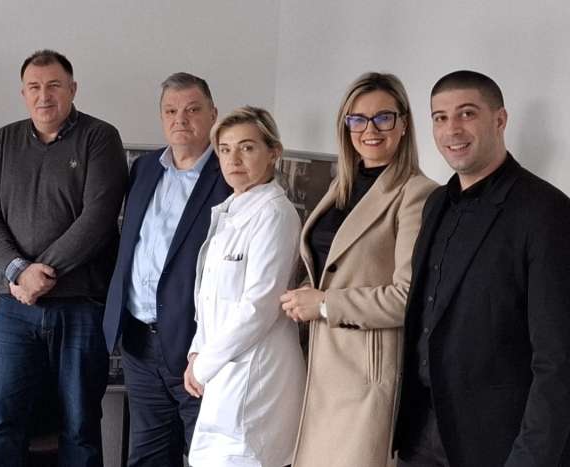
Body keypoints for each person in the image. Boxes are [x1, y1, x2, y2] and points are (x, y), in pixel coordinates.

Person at [394, 70, 570, 466]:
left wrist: (530, 458)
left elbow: (558, 359)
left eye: (467, 113)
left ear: (500, 120)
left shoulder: (546, 212)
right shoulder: (435, 203)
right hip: (421, 432)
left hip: (498, 443)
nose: (452, 129)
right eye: (440, 117)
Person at [0, 49, 128, 466]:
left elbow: (98, 218)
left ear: (73, 89)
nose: (44, 96)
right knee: (1, 421)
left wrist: (40, 274)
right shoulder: (4, 141)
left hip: (81, 307)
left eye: (54, 86)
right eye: (34, 87)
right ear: (23, 93)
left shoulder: (100, 138)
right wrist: (18, 271)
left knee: (79, 424)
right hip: (14, 308)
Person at [283, 72, 437, 466]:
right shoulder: (341, 187)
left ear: (404, 123)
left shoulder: (417, 194)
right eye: (358, 119)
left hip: (363, 371)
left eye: (383, 117)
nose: (370, 129)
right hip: (316, 360)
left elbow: (406, 298)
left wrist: (324, 304)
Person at [102, 72, 229, 467]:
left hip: (195, 345)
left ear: (213, 114)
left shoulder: (228, 175)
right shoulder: (144, 169)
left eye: (192, 110)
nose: (181, 119)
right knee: (148, 454)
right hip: (140, 341)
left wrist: (206, 349)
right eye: (171, 111)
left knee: (208, 455)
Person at [184, 106, 305, 467]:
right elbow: (210, 296)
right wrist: (197, 350)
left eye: (247, 147)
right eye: (225, 149)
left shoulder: (275, 214)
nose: (233, 159)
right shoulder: (230, 210)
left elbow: (258, 306)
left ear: (274, 152)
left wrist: (203, 365)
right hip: (224, 367)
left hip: (256, 372)